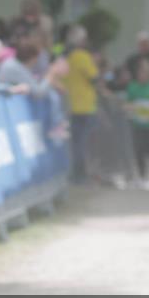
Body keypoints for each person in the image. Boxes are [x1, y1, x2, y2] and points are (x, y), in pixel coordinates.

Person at [63, 25, 98, 184]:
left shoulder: (65, 57)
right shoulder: (83, 56)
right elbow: (94, 77)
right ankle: (81, 175)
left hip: (70, 105)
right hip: (86, 107)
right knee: (83, 143)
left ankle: (76, 174)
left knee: (75, 143)